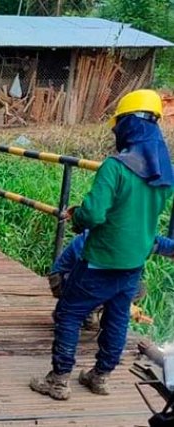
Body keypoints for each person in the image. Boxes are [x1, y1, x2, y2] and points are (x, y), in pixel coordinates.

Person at [30, 89, 173, 400]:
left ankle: (59, 379)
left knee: (68, 313)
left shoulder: (116, 167)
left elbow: (94, 214)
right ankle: (100, 376)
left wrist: (77, 216)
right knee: (117, 320)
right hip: (133, 264)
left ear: (128, 126)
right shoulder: (162, 175)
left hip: (100, 261)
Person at [49, 230, 174, 329]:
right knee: (105, 285)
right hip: (65, 279)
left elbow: (165, 245)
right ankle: (66, 311)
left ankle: (88, 311)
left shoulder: (140, 237)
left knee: (138, 288)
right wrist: (127, 305)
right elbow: (88, 274)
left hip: (93, 281)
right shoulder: (95, 236)